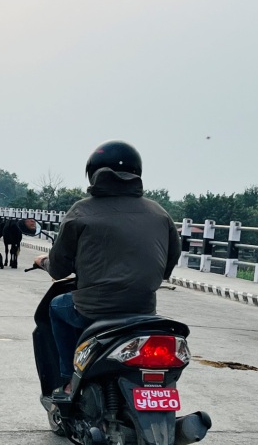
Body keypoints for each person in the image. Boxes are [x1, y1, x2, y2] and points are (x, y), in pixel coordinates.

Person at [33, 140, 180, 401]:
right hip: (144, 311)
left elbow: (58, 268)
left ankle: (68, 381)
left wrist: (42, 261)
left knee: (57, 307)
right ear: (137, 172)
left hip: (93, 309)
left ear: (92, 173)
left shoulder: (81, 210)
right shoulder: (160, 213)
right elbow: (169, 262)